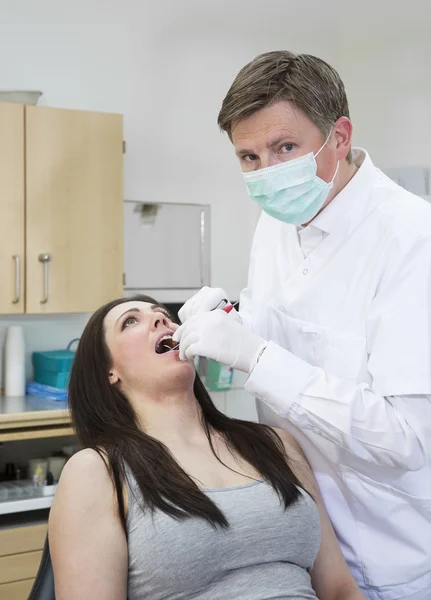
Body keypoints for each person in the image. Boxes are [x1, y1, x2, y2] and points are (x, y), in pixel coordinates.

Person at [174, 51, 431, 600]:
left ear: (339, 135)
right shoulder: (275, 222)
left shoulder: (411, 239)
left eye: (285, 148)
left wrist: (259, 359)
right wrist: (230, 321)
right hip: (301, 549)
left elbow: (407, 440)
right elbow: (290, 335)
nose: (267, 173)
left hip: (391, 560)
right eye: (247, 157)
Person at [49, 295, 365, 600]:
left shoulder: (276, 445)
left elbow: (340, 590)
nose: (161, 318)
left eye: (162, 314)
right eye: (130, 322)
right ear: (109, 371)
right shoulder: (97, 471)